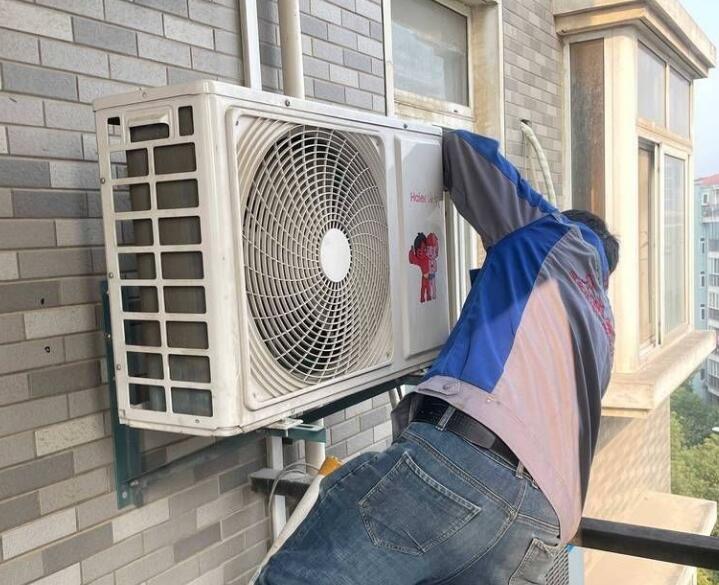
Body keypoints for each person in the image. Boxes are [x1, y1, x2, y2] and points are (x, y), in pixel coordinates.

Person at [257, 129, 619, 585]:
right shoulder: (604, 327)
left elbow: (463, 149)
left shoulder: (550, 233)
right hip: (543, 528)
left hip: (467, 465)